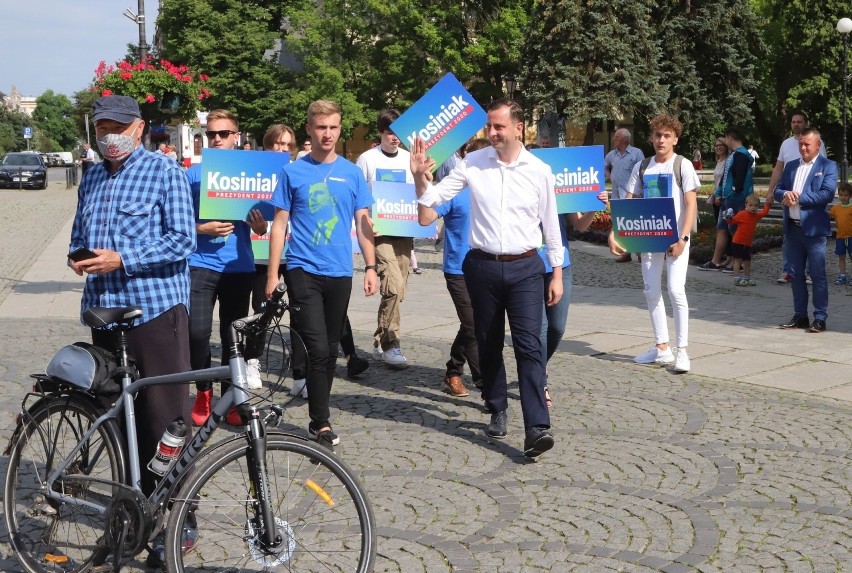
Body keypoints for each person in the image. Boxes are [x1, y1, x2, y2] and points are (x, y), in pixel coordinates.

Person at [68, 95, 197, 564]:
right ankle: (130, 514)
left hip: (155, 313)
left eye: (117, 127)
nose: (108, 136)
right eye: (101, 127)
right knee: (115, 422)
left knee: (166, 420)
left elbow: (183, 239)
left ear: (140, 129)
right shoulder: (93, 174)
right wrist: (78, 255)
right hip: (105, 316)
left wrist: (124, 258)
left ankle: (181, 520)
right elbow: (81, 232)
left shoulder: (165, 173)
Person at [412, 98, 563, 459]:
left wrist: (555, 272)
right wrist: (419, 176)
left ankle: (537, 427)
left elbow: (551, 225)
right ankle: (497, 406)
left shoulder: (539, 170)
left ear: (518, 128)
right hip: (481, 266)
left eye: (498, 127)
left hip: (526, 267)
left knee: (529, 346)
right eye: (489, 127)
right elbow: (433, 200)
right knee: (488, 340)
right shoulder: (472, 164)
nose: (491, 133)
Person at [265, 99, 378, 449]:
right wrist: (273, 275)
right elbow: (279, 225)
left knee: (329, 349)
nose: (327, 134)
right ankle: (321, 422)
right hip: (303, 268)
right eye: (320, 127)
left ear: (339, 129)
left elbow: (362, 222)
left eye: (332, 127)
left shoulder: (352, 172)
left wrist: (371, 266)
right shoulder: (292, 172)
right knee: (316, 346)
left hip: (340, 270)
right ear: (309, 130)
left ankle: (319, 411)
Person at [186, 109, 268, 427]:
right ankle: (203, 391)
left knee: (233, 337)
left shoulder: (250, 174)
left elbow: (261, 227)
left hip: (238, 265)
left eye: (222, 134)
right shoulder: (192, 174)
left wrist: (259, 225)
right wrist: (202, 229)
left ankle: (231, 397)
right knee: (197, 333)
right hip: (200, 263)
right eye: (210, 134)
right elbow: (176, 223)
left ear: (237, 136)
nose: (216, 139)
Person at [609, 114, 699, 374]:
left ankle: (682, 351)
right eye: (658, 135)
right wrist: (617, 232)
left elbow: (691, 204)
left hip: (675, 239)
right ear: (652, 137)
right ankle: (662, 347)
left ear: (675, 139)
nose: (661, 140)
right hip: (649, 236)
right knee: (650, 290)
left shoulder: (682, 165)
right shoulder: (643, 166)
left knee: (675, 290)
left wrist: (683, 238)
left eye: (667, 136)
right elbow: (628, 201)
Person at [416, 137, 490, 398]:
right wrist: (422, 181)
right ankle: (487, 385)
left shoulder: (496, 190)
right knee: (471, 324)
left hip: (487, 269)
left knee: (473, 323)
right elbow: (425, 218)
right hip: (458, 269)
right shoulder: (455, 190)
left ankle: (453, 370)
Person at [356, 109, 415, 369]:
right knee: (391, 283)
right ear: (380, 132)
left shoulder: (410, 158)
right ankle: (392, 342)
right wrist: (366, 222)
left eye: (400, 133)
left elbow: (420, 191)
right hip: (378, 233)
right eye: (390, 132)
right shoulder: (367, 159)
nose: (396, 138)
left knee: (399, 289)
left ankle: (380, 338)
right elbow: (358, 198)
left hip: (403, 230)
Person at [540, 190, 609, 406]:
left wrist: (593, 205)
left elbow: (579, 225)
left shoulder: (559, 182)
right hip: (528, 265)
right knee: (538, 330)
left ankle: (536, 366)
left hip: (560, 265)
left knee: (557, 327)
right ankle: (538, 381)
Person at [775, 128, 837, 333]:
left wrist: (798, 197)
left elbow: (826, 195)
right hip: (793, 230)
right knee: (795, 274)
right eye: (801, 144)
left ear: (817, 145)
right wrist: (785, 194)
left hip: (814, 231)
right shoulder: (792, 166)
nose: (802, 148)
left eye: (807, 144)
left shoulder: (828, 166)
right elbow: (777, 189)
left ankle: (820, 317)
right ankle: (800, 315)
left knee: (818, 275)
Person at [767, 112, 826, 284]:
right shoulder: (786, 144)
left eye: (799, 122)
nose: (796, 125)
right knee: (789, 234)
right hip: (789, 197)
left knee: (810, 235)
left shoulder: (817, 142)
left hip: (810, 197)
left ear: (805, 123)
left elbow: (823, 168)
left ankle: (809, 271)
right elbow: (778, 168)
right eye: (793, 122)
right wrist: (771, 190)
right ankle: (789, 270)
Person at [698, 126, 753, 271]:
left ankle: (739, 262)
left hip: (736, 199)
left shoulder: (741, 155)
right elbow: (725, 178)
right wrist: (719, 193)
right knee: (722, 228)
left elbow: (738, 180)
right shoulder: (734, 155)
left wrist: (729, 193)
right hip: (727, 199)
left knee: (735, 231)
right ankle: (715, 261)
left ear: (729, 137)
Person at [604, 128, 645, 262]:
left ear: (625, 139)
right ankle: (625, 252)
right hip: (617, 195)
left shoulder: (636, 153)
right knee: (620, 223)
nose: (614, 140)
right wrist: (611, 177)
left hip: (632, 195)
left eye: (616, 137)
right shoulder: (611, 155)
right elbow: (604, 166)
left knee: (635, 224)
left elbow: (643, 170)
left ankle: (639, 252)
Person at [723, 193, 774, 286]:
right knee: (737, 261)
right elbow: (732, 221)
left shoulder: (755, 216)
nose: (753, 208)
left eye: (756, 206)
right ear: (745, 205)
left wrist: (768, 204)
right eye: (750, 205)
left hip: (747, 243)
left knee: (747, 261)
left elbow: (764, 213)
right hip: (738, 242)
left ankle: (747, 277)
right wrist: (727, 217)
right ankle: (737, 278)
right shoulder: (742, 214)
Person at [829, 182, 852, 285]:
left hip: (851, 237)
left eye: (846, 195)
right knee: (841, 257)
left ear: (850, 196)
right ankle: (842, 275)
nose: (843, 197)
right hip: (840, 237)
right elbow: (828, 214)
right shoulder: (836, 208)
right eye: (841, 195)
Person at [709, 137, 729, 221]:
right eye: (716, 145)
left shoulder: (729, 161)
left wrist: (719, 194)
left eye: (721, 145)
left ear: (726, 146)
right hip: (716, 197)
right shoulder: (719, 161)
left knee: (724, 225)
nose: (718, 147)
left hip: (723, 197)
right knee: (718, 224)